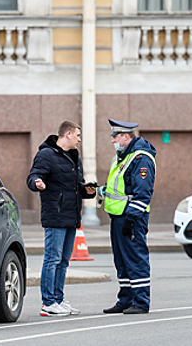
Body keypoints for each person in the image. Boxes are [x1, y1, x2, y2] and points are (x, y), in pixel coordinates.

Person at [27, 121, 96, 317]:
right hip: (55, 216)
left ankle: (58, 299)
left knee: (64, 261)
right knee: (52, 259)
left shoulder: (74, 157)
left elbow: (75, 186)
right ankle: (47, 302)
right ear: (67, 134)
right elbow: (33, 176)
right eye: (78, 135)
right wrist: (37, 183)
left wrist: (87, 190)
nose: (79, 139)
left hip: (71, 216)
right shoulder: (46, 154)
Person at [101, 118, 156, 314]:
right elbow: (121, 188)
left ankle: (141, 301)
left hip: (131, 217)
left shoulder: (141, 158)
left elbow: (143, 192)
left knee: (135, 258)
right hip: (118, 216)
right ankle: (125, 299)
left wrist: (132, 218)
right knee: (122, 260)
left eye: (115, 136)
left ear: (126, 136)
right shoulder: (122, 157)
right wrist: (102, 191)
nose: (112, 140)